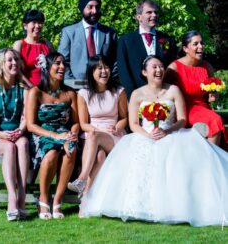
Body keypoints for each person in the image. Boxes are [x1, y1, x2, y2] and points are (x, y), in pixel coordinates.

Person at [81, 55, 228, 227]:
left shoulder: (173, 90)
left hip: (171, 134)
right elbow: (133, 123)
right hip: (145, 135)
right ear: (144, 72)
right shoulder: (137, 94)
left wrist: (167, 131)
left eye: (161, 67)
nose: (159, 70)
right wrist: (147, 134)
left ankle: (175, 207)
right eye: (154, 67)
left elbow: (181, 119)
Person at [26, 52, 79, 219]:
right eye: (57, 63)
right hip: (42, 133)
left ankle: (57, 199)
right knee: (51, 154)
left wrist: (71, 134)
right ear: (47, 67)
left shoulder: (70, 93)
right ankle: (43, 197)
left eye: (63, 64)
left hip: (64, 131)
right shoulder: (36, 92)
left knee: (71, 149)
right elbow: (30, 125)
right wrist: (54, 136)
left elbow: (76, 122)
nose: (62, 67)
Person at [67, 55, 127, 197]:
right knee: (99, 156)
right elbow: (83, 124)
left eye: (106, 67)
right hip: (92, 135)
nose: (104, 71)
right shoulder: (83, 94)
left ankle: (81, 178)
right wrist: (98, 131)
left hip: (113, 136)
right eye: (99, 68)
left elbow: (124, 118)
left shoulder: (119, 91)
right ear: (91, 71)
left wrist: (117, 127)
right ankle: (86, 198)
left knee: (95, 137)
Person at [0, 48, 29, 221]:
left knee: (22, 144)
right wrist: (2, 133)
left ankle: (22, 194)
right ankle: (12, 197)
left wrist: (21, 130)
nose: (14, 63)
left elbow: (26, 117)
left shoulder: (23, 89)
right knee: (9, 147)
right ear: (1, 65)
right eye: (9, 60)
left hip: (18, 132)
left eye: (16, 59)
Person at [166, 30, 228, 148]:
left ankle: (211, 158)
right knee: (214, 120)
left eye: (202, 43)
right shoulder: (174, 68)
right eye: (195, 44)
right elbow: (163, 92)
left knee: (214, 120)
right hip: (184, 109)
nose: (201, 46)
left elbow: (214, 91)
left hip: (204, 108)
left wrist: (214, 95)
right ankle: (210, 160)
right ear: (185, 48)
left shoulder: (207, 66)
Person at [117, 0, 178, 99]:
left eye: (155, 12)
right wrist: (133, 96)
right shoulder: (125, 41)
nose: (154, 15)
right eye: (149, 12)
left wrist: (167, 93)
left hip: (164, 95)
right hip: (137, 97)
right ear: (139, 17)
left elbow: (172, 68)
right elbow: (124, 72)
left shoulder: (168, 40)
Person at [58, 0, 117, 80]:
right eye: (90, 7)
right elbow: (62, 61)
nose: (94, 11)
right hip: (77, 88)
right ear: (82, 8)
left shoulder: (109, 33)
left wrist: (108, 81)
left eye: (97, 7)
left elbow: (116, 61)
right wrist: (73, 84)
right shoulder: (69, 32)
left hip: (104, 86)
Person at [13, 9, 55, 88]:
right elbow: (16, 71)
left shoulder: (47, 44)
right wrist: (32, 88)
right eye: (34, 22)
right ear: (25, 26)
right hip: (26, 89)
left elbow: (55, 66)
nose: (37, 26)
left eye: (40, 22)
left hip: (47, 89)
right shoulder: (19, 45)